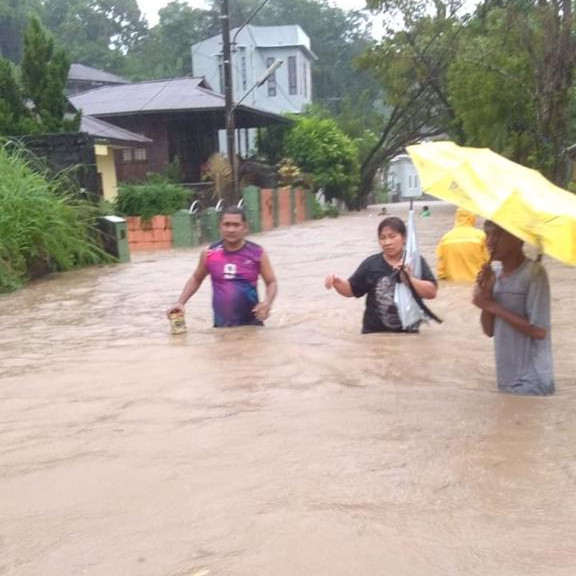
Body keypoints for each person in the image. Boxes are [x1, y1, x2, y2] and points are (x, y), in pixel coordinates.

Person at [473, 221, 554, 395]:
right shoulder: (493, 272)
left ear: (518, 238)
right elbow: (489, 331)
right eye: (487, 234)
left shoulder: (534, 273)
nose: (490, 241)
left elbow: (539, 331)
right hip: (506, 377)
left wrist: (491, 305)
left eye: (497, 235)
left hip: (533, 381)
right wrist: (486, 294)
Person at [166, 206, 278, 327]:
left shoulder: (257, 253)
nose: (231, 229)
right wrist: (180, 302)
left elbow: (271, 282)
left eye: (236, 225)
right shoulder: (209, 253)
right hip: (220, 327)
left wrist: (267, 302)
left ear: (245, 228)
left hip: (252, 326)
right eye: (227, 224)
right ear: (220, 227)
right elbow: (196, 278)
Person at [325, 216, 438, 334]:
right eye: (382, 238)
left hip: (408, 337)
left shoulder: (415, 262)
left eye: (392, 236)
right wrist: (337, 282)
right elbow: (351, 290)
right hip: (374, 335)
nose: (387, 242)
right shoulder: (371, 264)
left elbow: (431, 293)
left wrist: (408, 279)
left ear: (404, 238)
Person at [436, 208, 489, 281]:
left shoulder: (445, 238)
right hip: (477, 284)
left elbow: (441, 272)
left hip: (453, 286)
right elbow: (489, 261)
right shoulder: (481, 236)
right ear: (472, 218)